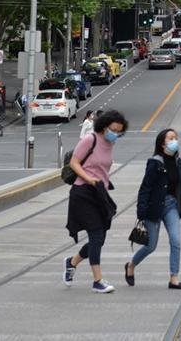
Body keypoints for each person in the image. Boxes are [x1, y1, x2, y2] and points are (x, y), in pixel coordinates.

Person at [63, 110, 127, 293]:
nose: (115, 133)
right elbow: (74, 163)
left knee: (99, 239)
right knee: (96, 235)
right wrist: (89, 178)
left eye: (119, 131)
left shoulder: (110, 143)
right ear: (104, 126)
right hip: (83, 192)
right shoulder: (90, 140)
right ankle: (97, 281)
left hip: (100, 194)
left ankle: (72, 262)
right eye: (113, 129)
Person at [125, 128, 181, 290]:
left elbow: (179, 188)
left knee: (176, 241)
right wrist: (141, 212)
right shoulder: (155, 162)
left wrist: (180, 206)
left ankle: (174, 278)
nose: (174, 140)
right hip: (154, 207)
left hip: (171, 205)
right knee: (151, 246)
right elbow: (145, 188)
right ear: (162, 143)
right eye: (170, 138)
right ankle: (131, 265)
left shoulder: (179, 163)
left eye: (176, 137)